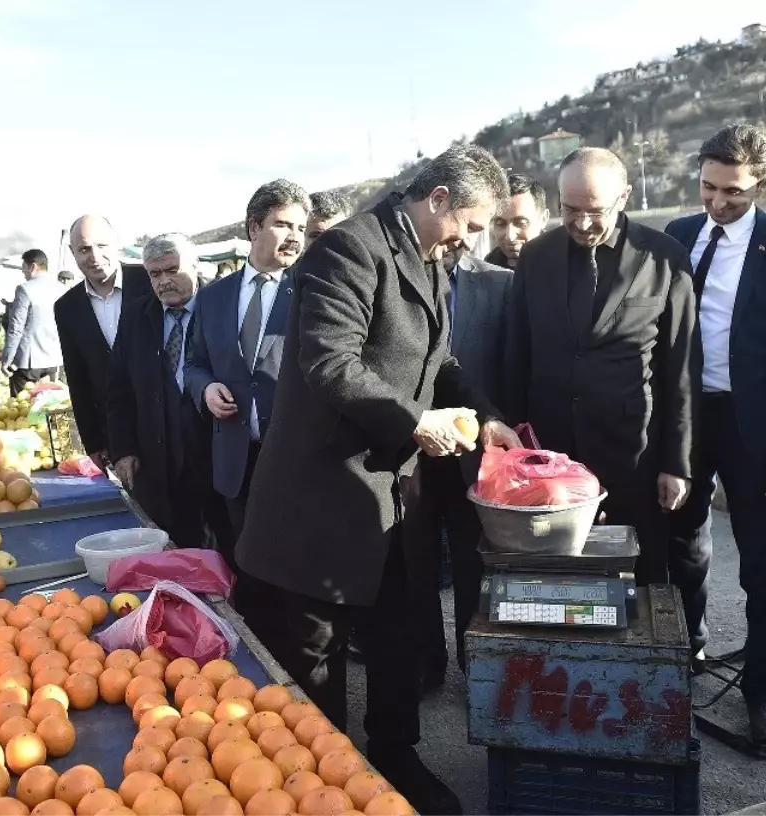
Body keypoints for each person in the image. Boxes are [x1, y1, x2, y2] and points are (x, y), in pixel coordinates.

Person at [237, 144, 519, 816]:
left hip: (394, 495)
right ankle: (323, 776)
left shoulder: (429, 258)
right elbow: (329, 362)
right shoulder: (349, 250)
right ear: (440, 199)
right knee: (317, 650)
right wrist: (415, 423)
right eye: (471, 224)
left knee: (398, 631)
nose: (472, 240)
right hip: (325, 495)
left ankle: (395, 754)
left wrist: (488, 415)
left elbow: (439, 358)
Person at [664, 124, 766, 742]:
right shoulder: (678, 234)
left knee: (762, 561)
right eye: (708, 187)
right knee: (681, 544)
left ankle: (761, 691)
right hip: (686, 416)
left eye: (731, 191)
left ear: (760, 184)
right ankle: (685, 654)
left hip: (754, 427)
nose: (717, 202)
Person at [504, 148, 697, 585]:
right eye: (569, 210)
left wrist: (677, 463)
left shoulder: (665, 258)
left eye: (595, 211)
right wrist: (514, 447)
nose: (582, 223)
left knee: (638, 574)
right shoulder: (535, 258)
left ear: (624, 197)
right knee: (553, 577)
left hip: (632, 454)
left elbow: (681, 367)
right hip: (548, 455)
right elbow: (517, 355)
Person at [185, 179, 309, 554]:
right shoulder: (212, 298)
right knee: (247, 565)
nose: (295, 237)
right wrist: (205, 388)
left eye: (301, 228)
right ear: (254, 227)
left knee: (293, 565)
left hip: (294, 459)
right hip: (234, 462)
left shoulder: (313, 293)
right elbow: (194, 363)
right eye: (284, 225)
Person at [409, 241, 511, 690]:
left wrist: (496, 419)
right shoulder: (398, 283)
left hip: (477, 452)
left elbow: (512, 365)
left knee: (475, 564)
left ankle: (479, 665)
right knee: (416, 563)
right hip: (410, 450)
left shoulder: (500, 283)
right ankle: (426, 663)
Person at [108, 233, 211, 548]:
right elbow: (119, 387)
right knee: (174, 546)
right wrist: (123, 449)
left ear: (194, 266)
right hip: (158, 459)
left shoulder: (221, 306)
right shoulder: (137, 316)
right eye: (155, 274)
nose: (164, 281)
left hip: (215, 453)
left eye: (173, 269)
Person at [55, 215, 153, 468]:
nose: (94, 257)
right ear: (72, 253)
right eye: (84, 249)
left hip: (168, 426)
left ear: (116, 244)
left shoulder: (151, 281)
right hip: (115, 436)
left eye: (101, 246)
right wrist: (94, 443)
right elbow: (77, 379)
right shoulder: (67, 307)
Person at [1, 249, 65, 396]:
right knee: (49, 407)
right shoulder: (62, 289)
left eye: (24, 267)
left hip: (28, 361)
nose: (23, 272)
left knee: (21, 409)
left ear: (33, 266)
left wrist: (7, 359)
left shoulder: (25, 289)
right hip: (53, 359)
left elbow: (16, 327)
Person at [486, 173, 549, 268]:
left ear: (543, 219)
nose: (509, 237)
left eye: (521, 223)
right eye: (500, 223)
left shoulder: (566, 266)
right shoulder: (487, 269)